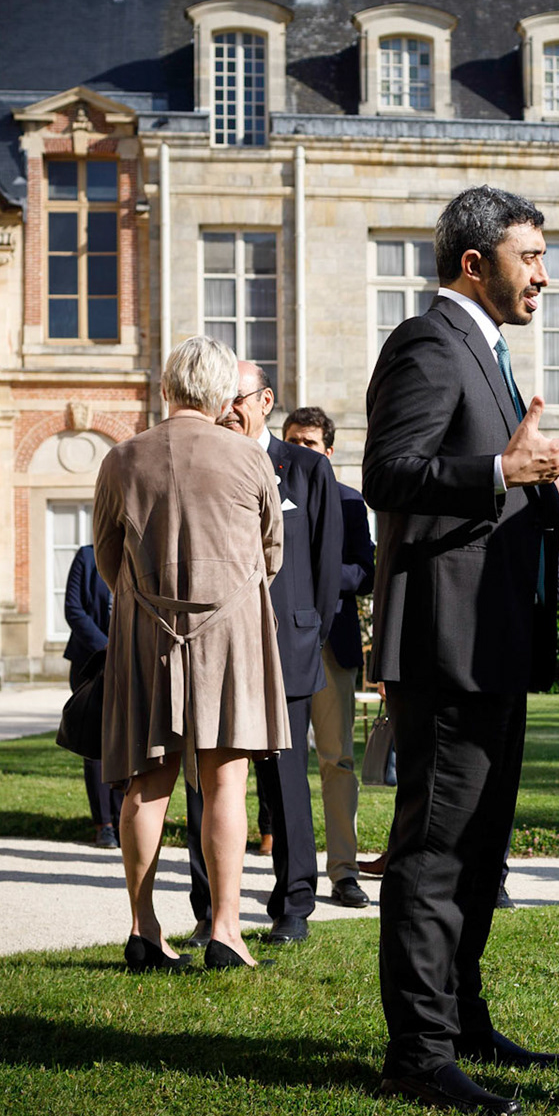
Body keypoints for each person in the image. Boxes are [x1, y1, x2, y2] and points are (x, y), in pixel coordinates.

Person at [365, 185, 559, 1116]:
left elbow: (489, 479)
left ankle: (463, 1020)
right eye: (533, 258)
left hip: (493, 641)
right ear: (475, 263)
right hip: (446, 644)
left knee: (481, 852)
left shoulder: (488, 350)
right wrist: (504, 471)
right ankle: (416, 1057)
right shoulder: (429, 343)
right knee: (435, 852)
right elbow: (388, 475)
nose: (547, 276)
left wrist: (551, 496)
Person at [93, 335, 290, 972]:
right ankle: (226, 931)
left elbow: (105, 555)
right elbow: (272, 552)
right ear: (219, 395)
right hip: (229, 629)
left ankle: (143, 928)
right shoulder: (248, 458)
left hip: (145, 629)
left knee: (147, 782)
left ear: (166, 388)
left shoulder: (122, 457)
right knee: (225, 782)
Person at [183, 364, 343, 945]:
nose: (227, 408)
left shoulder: (306, 469)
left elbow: (327, 567)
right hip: (215, 649)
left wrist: (309, 629)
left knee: (285, 783)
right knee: (207, 780)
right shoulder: (201, 464)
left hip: (287, 645)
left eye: (238, 397)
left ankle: (293, 904)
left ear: (265, 400)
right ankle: (209, 907)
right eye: (218, 398)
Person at [283, 404, 377, 908]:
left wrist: (314, 576)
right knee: (283, 761)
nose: (301, 450)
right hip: (278, 645)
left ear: (329, 451)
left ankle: (344, 872)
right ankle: (293, 878)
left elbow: (366, 572)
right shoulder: (267, 494)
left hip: (332, 647)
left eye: (311, 444)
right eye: (293, 441)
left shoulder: (348, 502)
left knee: (337, 759)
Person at [64, 543, 119, 848]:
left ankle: (126, 820)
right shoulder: (87, 556)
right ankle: (104, 824)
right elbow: (73, 609)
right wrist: (107, 647)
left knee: (128, 745)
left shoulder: (143, 549)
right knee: (95, 744)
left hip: (134, 663)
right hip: (91, 663)